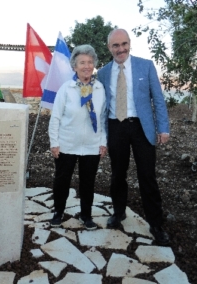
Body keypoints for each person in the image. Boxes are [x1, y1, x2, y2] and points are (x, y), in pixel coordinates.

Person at [97, 29, 170, 245]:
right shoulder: (103, 73)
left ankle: (156, 224)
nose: (121, 49)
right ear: (109, 48)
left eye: (124, 44)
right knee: (118, 174)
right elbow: (101, 107)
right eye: (115, 45)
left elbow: (158, 99)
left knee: (147, 176)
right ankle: (119, 212)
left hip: (141, 127)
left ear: (130, 43)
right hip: (115, 127)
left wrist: (163, 128)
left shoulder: (145, 66)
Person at [48, 44, 107, 230]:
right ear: (74, 66)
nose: (86, 66)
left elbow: (103, 118)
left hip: (91, 145)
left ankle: (86, 215)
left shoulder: (99, 89)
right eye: (82, 62)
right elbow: (55, 117)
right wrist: (54, 142)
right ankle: (58, 212)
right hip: (66, 144)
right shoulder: (66, 88)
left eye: (90, 62)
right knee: (62, 181)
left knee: (88, 183)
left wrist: (103, 142)